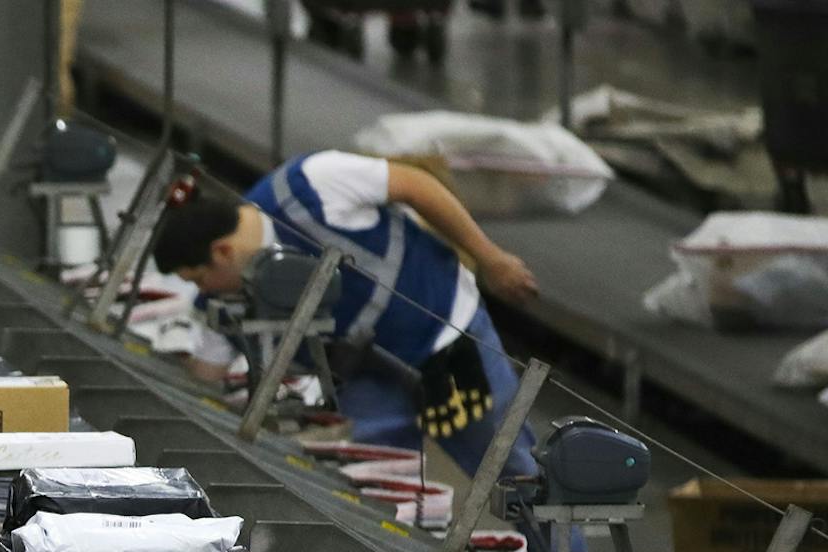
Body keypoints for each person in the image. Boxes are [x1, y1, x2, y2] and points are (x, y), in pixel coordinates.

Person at [151, 150, 543, 483]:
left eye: (199, 279)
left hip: (447, 338)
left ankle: (564, 551)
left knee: (512, 474)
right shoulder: (225, 301)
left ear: (222, 252)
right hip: (368, 378)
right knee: (372, 490)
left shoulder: (310, 185)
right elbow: (205, 378)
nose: (204, 291)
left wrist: (490, 258)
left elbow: (416, 185)